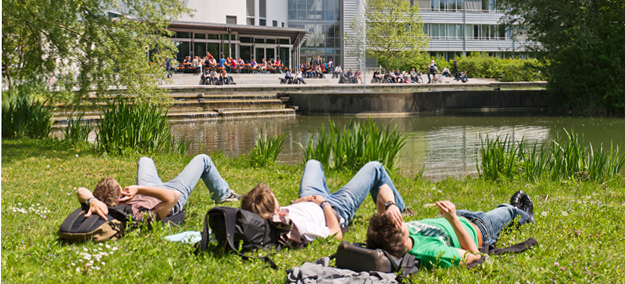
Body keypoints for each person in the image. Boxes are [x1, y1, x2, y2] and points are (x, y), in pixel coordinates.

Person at [242, 160, 407, 242]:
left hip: (310, 197)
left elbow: (292, 209)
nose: (273, 193)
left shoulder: (275, 216)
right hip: (336, 207)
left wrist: (301, 200)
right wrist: (323, 203)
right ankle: (398, 209)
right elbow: (336, 234)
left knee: (313, 163)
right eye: (272, 196)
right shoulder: (297, 226)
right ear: (273, 208)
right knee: (375, 167)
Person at [365, 191, 534, 268]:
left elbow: (382, 189)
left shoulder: (392, 236)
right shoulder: (430, 252)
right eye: (398, 222)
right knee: (508, 210)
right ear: (402, 240)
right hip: (480, 228)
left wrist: (390, 206)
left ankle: (514, 212)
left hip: (456, 216)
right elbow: (475, 255)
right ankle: (523, 214)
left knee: (499, 211)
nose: (401, 218)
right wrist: (453, 220)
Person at [76, 154, 242, 221]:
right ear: (119, 198)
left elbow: (80, 190)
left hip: (148, 187)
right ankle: (223, 195)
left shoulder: (101, 205)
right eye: (121, 188)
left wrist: (91, 200)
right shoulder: (138, 214)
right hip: (168, 193)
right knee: (203, 159)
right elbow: (172, 197)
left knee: (145, 160)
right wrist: (139, 190)